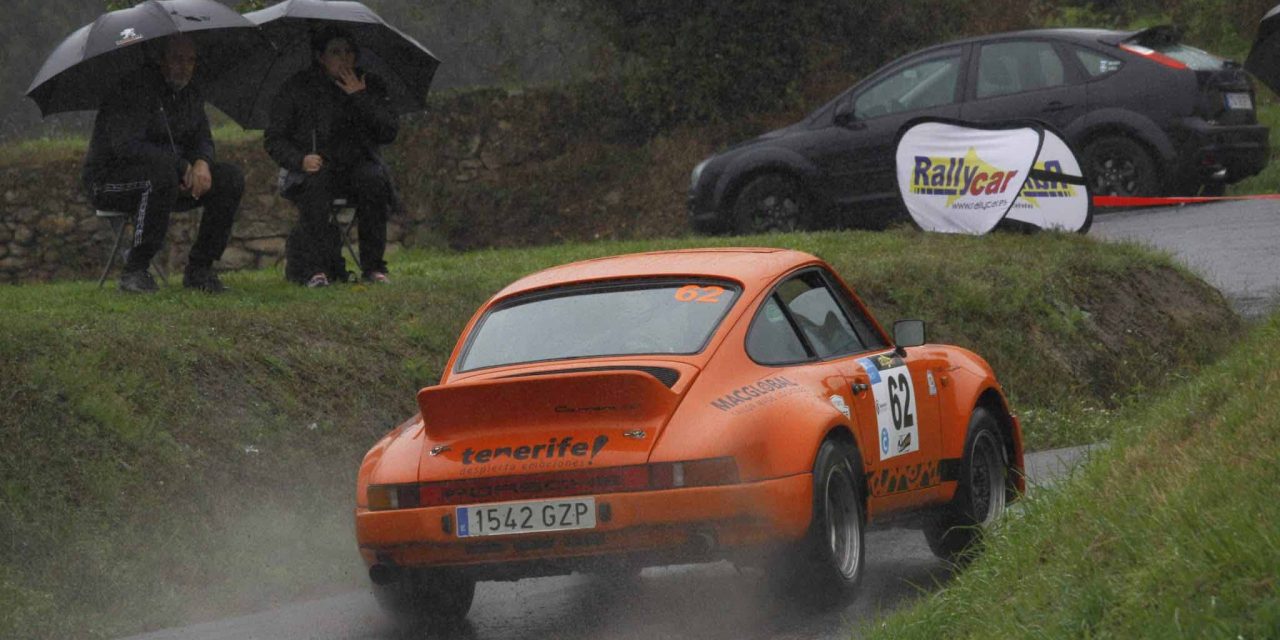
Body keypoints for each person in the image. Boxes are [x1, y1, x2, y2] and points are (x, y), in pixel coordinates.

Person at [83, 34, 244, 294]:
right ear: (161, 60)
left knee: (229, 178)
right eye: (177, 59)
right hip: (109, 182)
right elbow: (127, 147)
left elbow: (202, 138)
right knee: (159, 176)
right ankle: (135, 271)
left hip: (169, 179)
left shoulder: (190, 94)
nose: (185, 66)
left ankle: (199, 270)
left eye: (191, 60)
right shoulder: (131, 90)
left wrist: (202, 162)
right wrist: (181, 166)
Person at [265, 25, 400, 288]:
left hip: (359, 166)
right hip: (314, 168)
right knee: (316, 183)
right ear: (320, 56)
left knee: (373, 180)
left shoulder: (370, 84)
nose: (344, 58)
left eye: (349, 52)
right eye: (336, 52)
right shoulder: (298, 88)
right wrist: (300, 159)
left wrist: (360, 97)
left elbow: (388, 131)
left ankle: (373, 267)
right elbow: (274, 139)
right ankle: (315, 269)